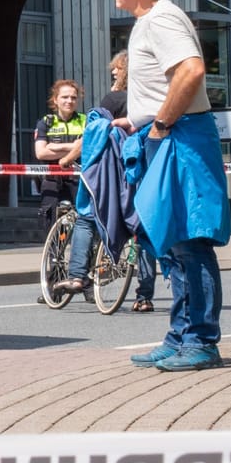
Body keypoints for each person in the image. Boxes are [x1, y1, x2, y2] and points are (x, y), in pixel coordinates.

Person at [111, 0, 229, 373]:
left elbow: (191, 70)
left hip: (180, 137)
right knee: (170, 241)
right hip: (167, 134)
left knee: (189, 241)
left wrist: (160, 124)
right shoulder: (150, 21)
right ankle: (180, 336)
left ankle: (200, 341)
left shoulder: (161, 18)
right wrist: (138, 119)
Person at [98, 51, 159, 312]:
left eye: (118, 68)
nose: (113, 72)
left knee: (95, 216)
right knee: (143, 235)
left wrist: (69, 157)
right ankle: (144, 295)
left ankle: (90, 272)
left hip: (120, 175)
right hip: (148, 173)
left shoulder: (113, 99)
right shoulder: (152, 101)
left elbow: (97, 134)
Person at [33, 79, 85, 222]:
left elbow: (87, 148)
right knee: (50, 218)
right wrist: (74, 147)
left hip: (77, 178)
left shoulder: (85, 120)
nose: (69, 101)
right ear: (55, 100)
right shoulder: (46, 122)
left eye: (73, 97)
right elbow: (41, 153)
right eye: (65, 97)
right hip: (51, 179)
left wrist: (55, 147)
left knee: (82, 220)